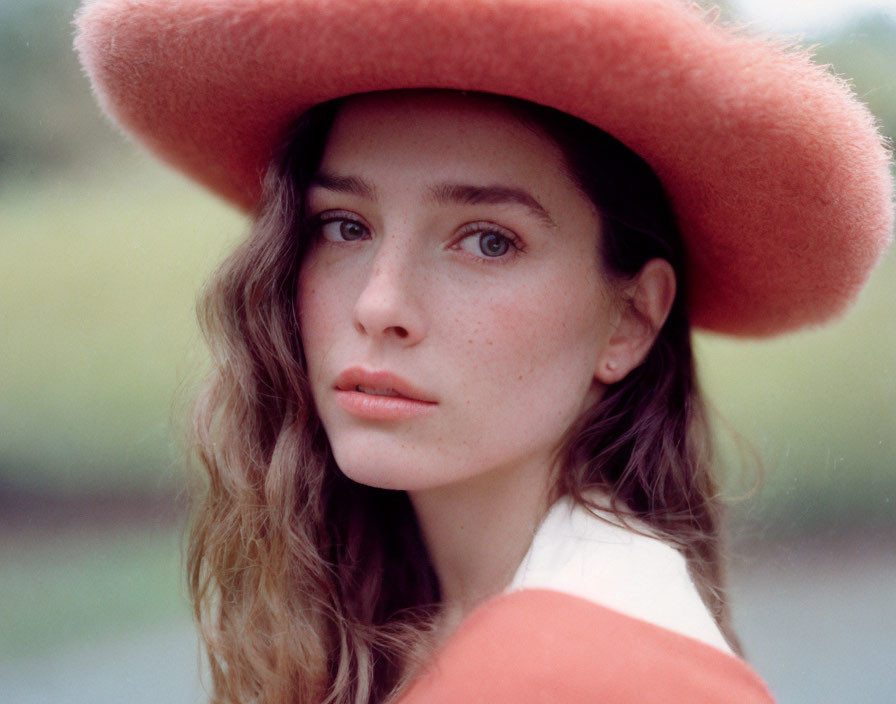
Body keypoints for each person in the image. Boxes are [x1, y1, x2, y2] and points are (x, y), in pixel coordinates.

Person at [74, 1, 893, 702]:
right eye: (345, 226)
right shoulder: (447, 622)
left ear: (630, 322)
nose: (379, 303)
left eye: (488, 241)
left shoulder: (579, 671)